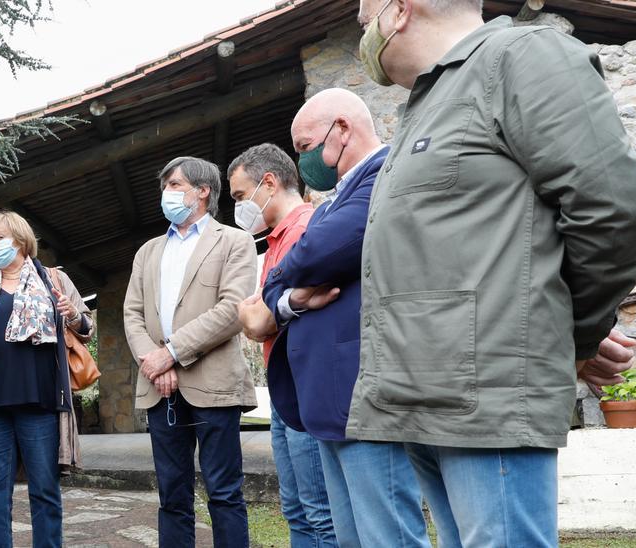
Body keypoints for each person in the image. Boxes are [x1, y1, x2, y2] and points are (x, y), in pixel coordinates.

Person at [343, 0, 636, 545]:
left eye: (365, 18)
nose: (361, 33)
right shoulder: (429, 102)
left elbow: (614, 213)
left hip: (487, 404)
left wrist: (573, 334)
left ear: (399, 11)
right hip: (423, 401)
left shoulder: (521, 57)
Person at [242, 89, 429, 547]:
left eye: (305, 147)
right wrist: (289, 290)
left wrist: (286, 278)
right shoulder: (330, 205)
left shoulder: (382, 178)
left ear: (341, 129)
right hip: (329, 403)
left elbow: (316, 252)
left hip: (362, 396)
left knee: (388, 535)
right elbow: (282, 282)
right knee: (350, 537)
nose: (304, 161)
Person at [123, 156, 256, 548]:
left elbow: (233, 310)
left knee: (224, 492)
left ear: (203, 191)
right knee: (172, 496)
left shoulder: (234, 241)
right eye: (164, 186)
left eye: (176, 185)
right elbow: (132, 312)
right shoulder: (147, 251)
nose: (167, 193)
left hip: (213, 383)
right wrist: (153, 359)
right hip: (159, 387)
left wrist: (172, 353)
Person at [0, 210, 92, 548]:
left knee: (44, 489)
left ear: (19, 238)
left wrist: (73, 315)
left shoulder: (53, 280)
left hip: (41, 402)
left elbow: (86, 327)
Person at [227, 143, 336, 548]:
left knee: (320, 513)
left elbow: (262, 318)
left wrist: (260, 317)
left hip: (308, 388)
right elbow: (257, 318)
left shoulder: (307, 230)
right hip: (285, 390)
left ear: (269, 183)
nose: (239, 206)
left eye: (240, 195)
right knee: (296, 510)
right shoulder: (274, 242)